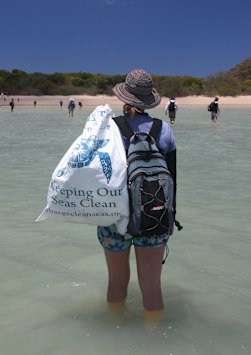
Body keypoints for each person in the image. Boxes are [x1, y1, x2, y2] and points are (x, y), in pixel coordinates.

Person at [97, 69, 177, 320]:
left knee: (116, 283)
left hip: (113, 218)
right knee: (152, 286)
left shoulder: (109, 127)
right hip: (154, 214)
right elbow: (173, 179)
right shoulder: (163, 130)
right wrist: (171, 217)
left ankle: (115, 336)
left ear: (125, 97)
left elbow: (97, 172)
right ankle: (153, 340)